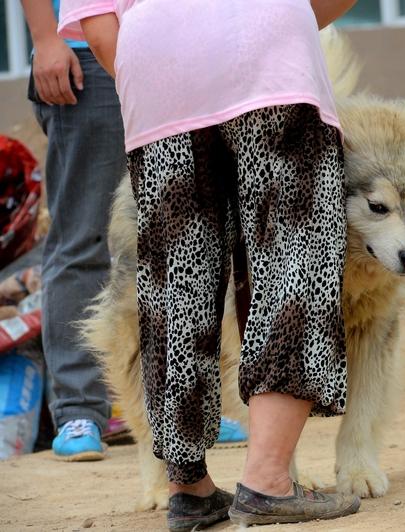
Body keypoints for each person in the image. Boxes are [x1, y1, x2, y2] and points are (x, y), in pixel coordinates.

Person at [58, 0, 358, 529]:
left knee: (175, 280)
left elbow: (100, 30)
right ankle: (268, 482)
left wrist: (168, 66)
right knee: (294, 261)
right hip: (269, 59)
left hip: (155, 69)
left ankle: (189, 490)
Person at [20, 0, 126, 461]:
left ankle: (186, 406)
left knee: (180, 239)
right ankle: (79, 409)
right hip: (82, 49)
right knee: (86, 236)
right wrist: (46, 38)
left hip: (172, 46)